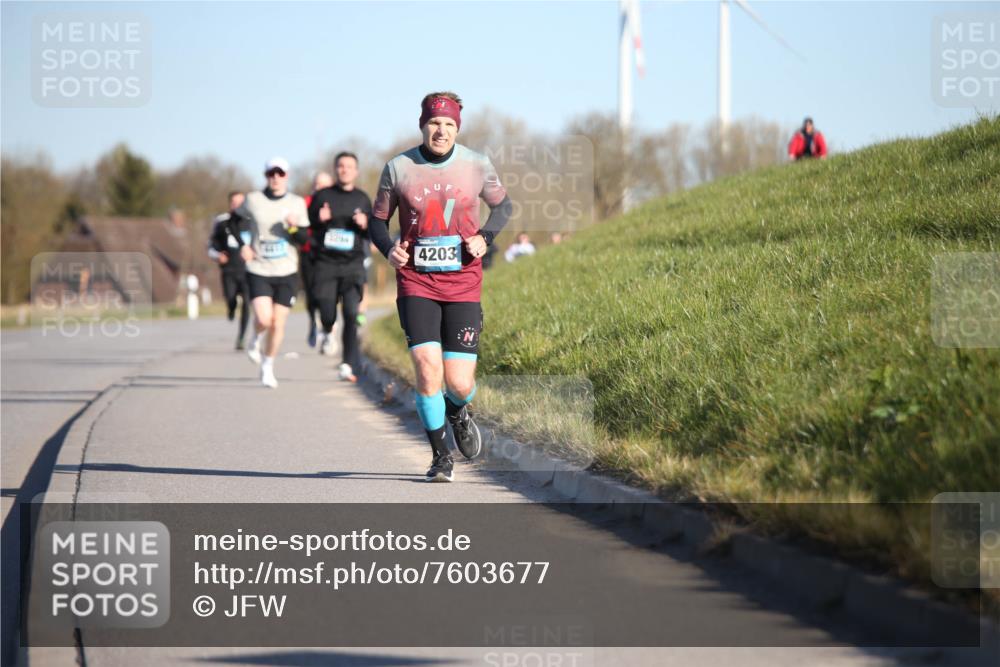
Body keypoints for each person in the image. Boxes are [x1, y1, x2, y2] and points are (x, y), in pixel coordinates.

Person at [369, 91, 513, 483]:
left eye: (449, 124)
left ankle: (457, 409)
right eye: (434, 122)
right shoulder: (398, 168)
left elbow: (504, 207)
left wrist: (486, 236)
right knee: (427, 371)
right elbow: (377, 221)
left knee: (460, 383)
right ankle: (439, 456)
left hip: (464, 282)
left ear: (457, 128)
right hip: (416, 281)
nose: (441, 130)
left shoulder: (476, 164)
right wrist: (389, 250)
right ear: (423, 125)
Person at [229, 157, 310, 388]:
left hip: (287, 271)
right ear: (265, 176)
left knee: (277, 323)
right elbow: (232, 223)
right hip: (259, 268)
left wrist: (293, 226)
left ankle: (267, 366)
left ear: (287, 175)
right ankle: (255, 339)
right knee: (264, 319)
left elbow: (304, 240)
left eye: (280, 173)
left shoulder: (296, 203)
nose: (275, 177)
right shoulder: (253, 200)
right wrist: (242, 245)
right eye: (271, 173)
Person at [307, 152, 373, 382]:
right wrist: (319, 217)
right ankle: (327, 328)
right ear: (336, 169)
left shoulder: (363, 198)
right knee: (327, 310)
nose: (345, 170)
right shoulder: (323, 195)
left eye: (349, 166)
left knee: (352, 314)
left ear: (356, 171)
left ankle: (347, 363)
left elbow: (371, 230)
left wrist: (365, 225)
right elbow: (310, 224)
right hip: (326, 263)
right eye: (341, 166)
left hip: (353, 263)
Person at [208, 191, 251, 349]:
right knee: (231, 298)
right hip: (229, 271)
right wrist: (217, 255)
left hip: (248, 271)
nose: (237, 205)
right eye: (234, 202)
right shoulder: (222, 222)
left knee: (247, 303)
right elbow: (211, 245)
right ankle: (231, 308)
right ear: (230, 204)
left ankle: (241, 338)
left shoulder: (251, 221)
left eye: (241, 202)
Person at [302, 172, 333, 348]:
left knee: (328, 295)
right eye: (317, 184)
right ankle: (313, 322)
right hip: (309, 254)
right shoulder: (305, 203)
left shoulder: (335, 201)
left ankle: (329, 331)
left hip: (330, 256)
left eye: (324, 185)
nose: (320, 188)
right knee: (311, 293)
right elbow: (298, 227)